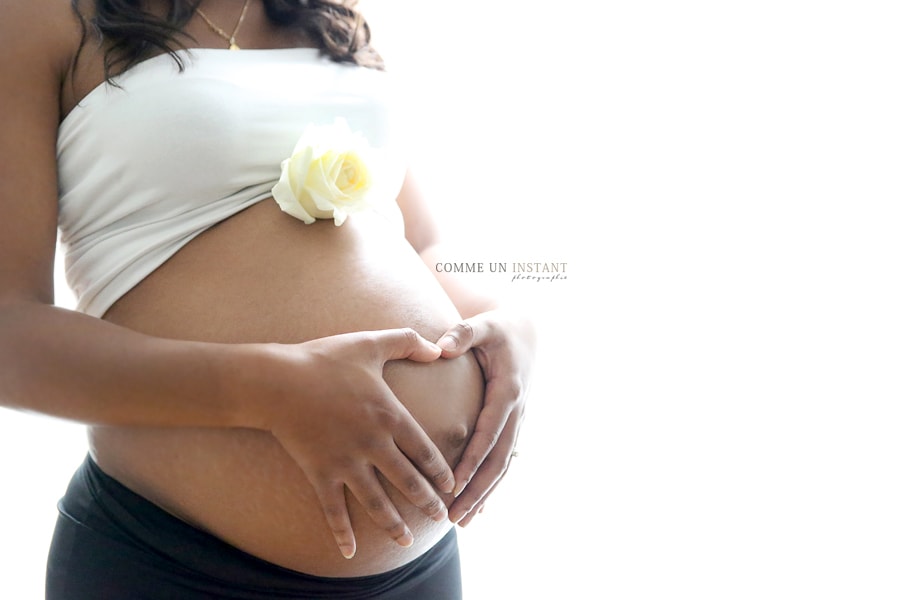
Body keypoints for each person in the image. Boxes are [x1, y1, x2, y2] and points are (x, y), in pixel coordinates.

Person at [0, 0, 536, 598]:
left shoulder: (334, 14)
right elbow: (9, 333)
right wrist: (267, 389)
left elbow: (430, 244)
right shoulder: (39, 15)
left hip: (418, 569)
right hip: (171, 562)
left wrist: (510, 315)